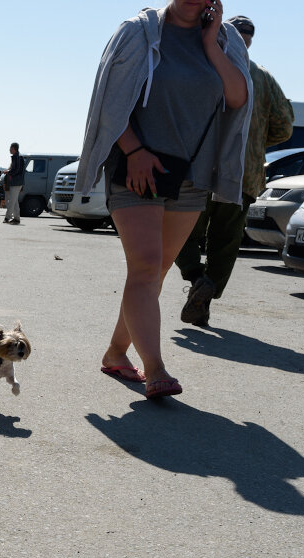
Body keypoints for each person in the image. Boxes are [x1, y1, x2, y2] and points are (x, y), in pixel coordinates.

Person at [76, 0, 251, 399]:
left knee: (153, 274)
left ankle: (116, 352)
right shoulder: (137, 32)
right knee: (146, 266)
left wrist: (210, 44)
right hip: (139, 167)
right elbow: (110, 102)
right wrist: (135, 151)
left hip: (191, 175)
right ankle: (155, 369)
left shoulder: (225, 41)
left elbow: (238, 97)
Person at [174, 14, 292, 327]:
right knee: (225, 242)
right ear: (250, 40)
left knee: (177, 231)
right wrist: (253, 142)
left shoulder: (204, 65)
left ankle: (196, 278)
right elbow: (284, 126)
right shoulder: (262, 76)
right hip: (243, 173)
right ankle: (206, 293)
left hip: (201, 169)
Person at [3, 142, 25, 224]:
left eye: (10, 148)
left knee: (12, 201)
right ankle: (16, 218)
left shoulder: (18, 157)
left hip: (16, 182)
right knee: (15, 201)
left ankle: (7, 218)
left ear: (14, 148)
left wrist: (8, 172)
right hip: (16, 182)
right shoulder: (17, 157)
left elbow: (17, 170)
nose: (9, 149)